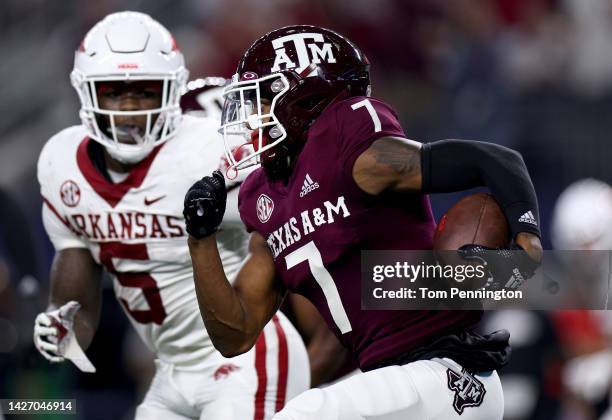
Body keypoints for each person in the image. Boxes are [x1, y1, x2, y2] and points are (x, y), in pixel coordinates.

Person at [183, 25, 543, 419]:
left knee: (306, 414)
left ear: (304, 96)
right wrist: (200, 240)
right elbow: (235, 332)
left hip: (448, 375)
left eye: (263, 98)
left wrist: (527, 239)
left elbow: (494, 160)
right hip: (393, 385)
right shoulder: (263, 198)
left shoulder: (345, 139)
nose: (251, 117)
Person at [33, 12, 309, 420]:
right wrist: (64, 324)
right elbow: (78, 278)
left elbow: (302, 225)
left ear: (173, 91)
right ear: (85, 93)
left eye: (145, 92)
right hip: (170, 370)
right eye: (113, 92)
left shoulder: (210, 149)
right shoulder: (62, 164)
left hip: (248, 358)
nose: (130, 108)